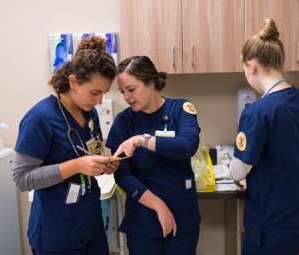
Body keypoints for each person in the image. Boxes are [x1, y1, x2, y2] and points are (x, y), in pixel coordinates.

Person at [13, 36, 118, 255]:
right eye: (95, 92)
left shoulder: (90, 115)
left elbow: (91, 152)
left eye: (104, 93)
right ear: (73, 82)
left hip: (90, 225)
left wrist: (103, 165)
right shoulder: (40, 118)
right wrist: (77, 165)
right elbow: (22, 179)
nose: (99, 101)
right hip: (56, 233)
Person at [229, 19, 299, 255]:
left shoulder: (256, 112)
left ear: (251, 67)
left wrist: (237, 171)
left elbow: (238, 171)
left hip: (270, 222)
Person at [105, 56, 201, 255]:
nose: (126, 97)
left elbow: (187, 146)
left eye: (131, 89)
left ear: (150, 82)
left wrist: (143, 140)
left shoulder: (180, 109)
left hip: (182, 217)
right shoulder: (124, 122)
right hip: (143, 221)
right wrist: (159, 206)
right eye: (122, 92)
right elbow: (122, 175)